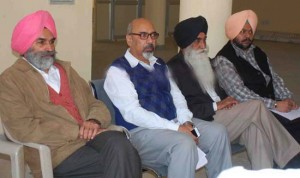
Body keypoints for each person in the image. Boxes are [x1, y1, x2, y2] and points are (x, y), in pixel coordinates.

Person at [0, 10, 141, 178]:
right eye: (41, 42)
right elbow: (24, 129)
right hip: (58, 151)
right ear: (25, 45)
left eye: (52, 42)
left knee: (122, 147)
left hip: (92, 138)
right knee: (122, 160)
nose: (50, 48)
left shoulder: (64, 69)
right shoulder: (10, 80)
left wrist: (93, 120)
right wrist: (77, 131)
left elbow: (95, 103)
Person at [104, 17, 232, 178]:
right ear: (129, 39)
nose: (150, 40)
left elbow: (177, 97)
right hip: (141, 132)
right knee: (184, 143)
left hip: (175, 123)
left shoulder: (159, 64)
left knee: (217, 132)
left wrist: (186, 121)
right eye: (143, 35)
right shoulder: (118, 71)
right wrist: (177, 129)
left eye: (153, 35)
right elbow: (133, 113)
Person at [167, 16, 300, 170]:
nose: (204, 45)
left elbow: (219, 92)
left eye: (205, 39)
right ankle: (291, 155)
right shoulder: (173, 69)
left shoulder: (207, 61)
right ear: (185, 43)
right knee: (256, 107)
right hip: (204, 123)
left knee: (255, 128)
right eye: (198, 40)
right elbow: (182, 110)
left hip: (225, 116)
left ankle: (264, 172)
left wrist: (228, 101)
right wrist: (217, 106)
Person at [213, 10, 300, 144]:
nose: (247, 36)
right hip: (252, 111)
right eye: (242, 32)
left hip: (272, 104)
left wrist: (287, 97)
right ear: (232, 32)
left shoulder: (257, 52)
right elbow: (241, 95)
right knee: (291, 132)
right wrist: (276, 105)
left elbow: (274, 78)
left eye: (250, 31)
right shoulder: (223, 60)